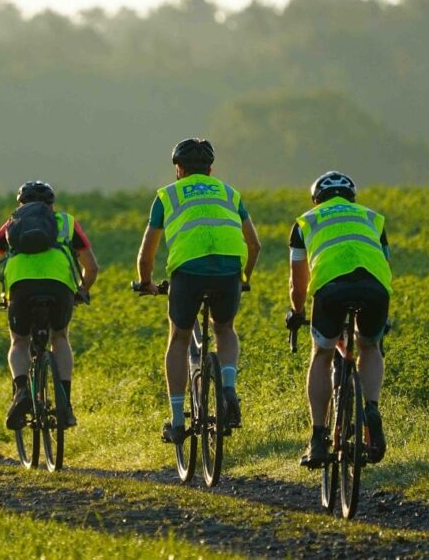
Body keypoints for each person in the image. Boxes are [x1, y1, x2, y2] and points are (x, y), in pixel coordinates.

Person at [135, 138, 261, 443]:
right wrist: (243, 277)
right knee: (225, 329)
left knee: (178, 339)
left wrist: (146, 282)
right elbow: (255, 245)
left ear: (178, 169)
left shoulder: (167, 195)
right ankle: (228, 387)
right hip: (229, 269)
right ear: (210, 170)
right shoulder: (229, 193)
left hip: (188, 271)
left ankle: (178, 422)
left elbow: (146, 254)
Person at [0, 180, 99, 430]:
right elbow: (92, 267)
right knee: (59, 338)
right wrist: (82, 291)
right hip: (60, 287)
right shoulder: (66, 222)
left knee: (20, 342)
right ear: (52, 204)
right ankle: (64, 404)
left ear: (21, 204)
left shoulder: (12, 225)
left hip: (21, 288)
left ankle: (22, 391)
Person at [286, 171, 392, 467]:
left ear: (316, 199)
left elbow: (298, 283)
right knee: (369, 346)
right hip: (375, 288)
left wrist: (297, 313)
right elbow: (384, 263)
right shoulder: (373, 218)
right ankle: (371, 409)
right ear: (352, 198)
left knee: (322, 353)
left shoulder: (306, 221)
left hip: (331, 290)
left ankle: (318, 438)